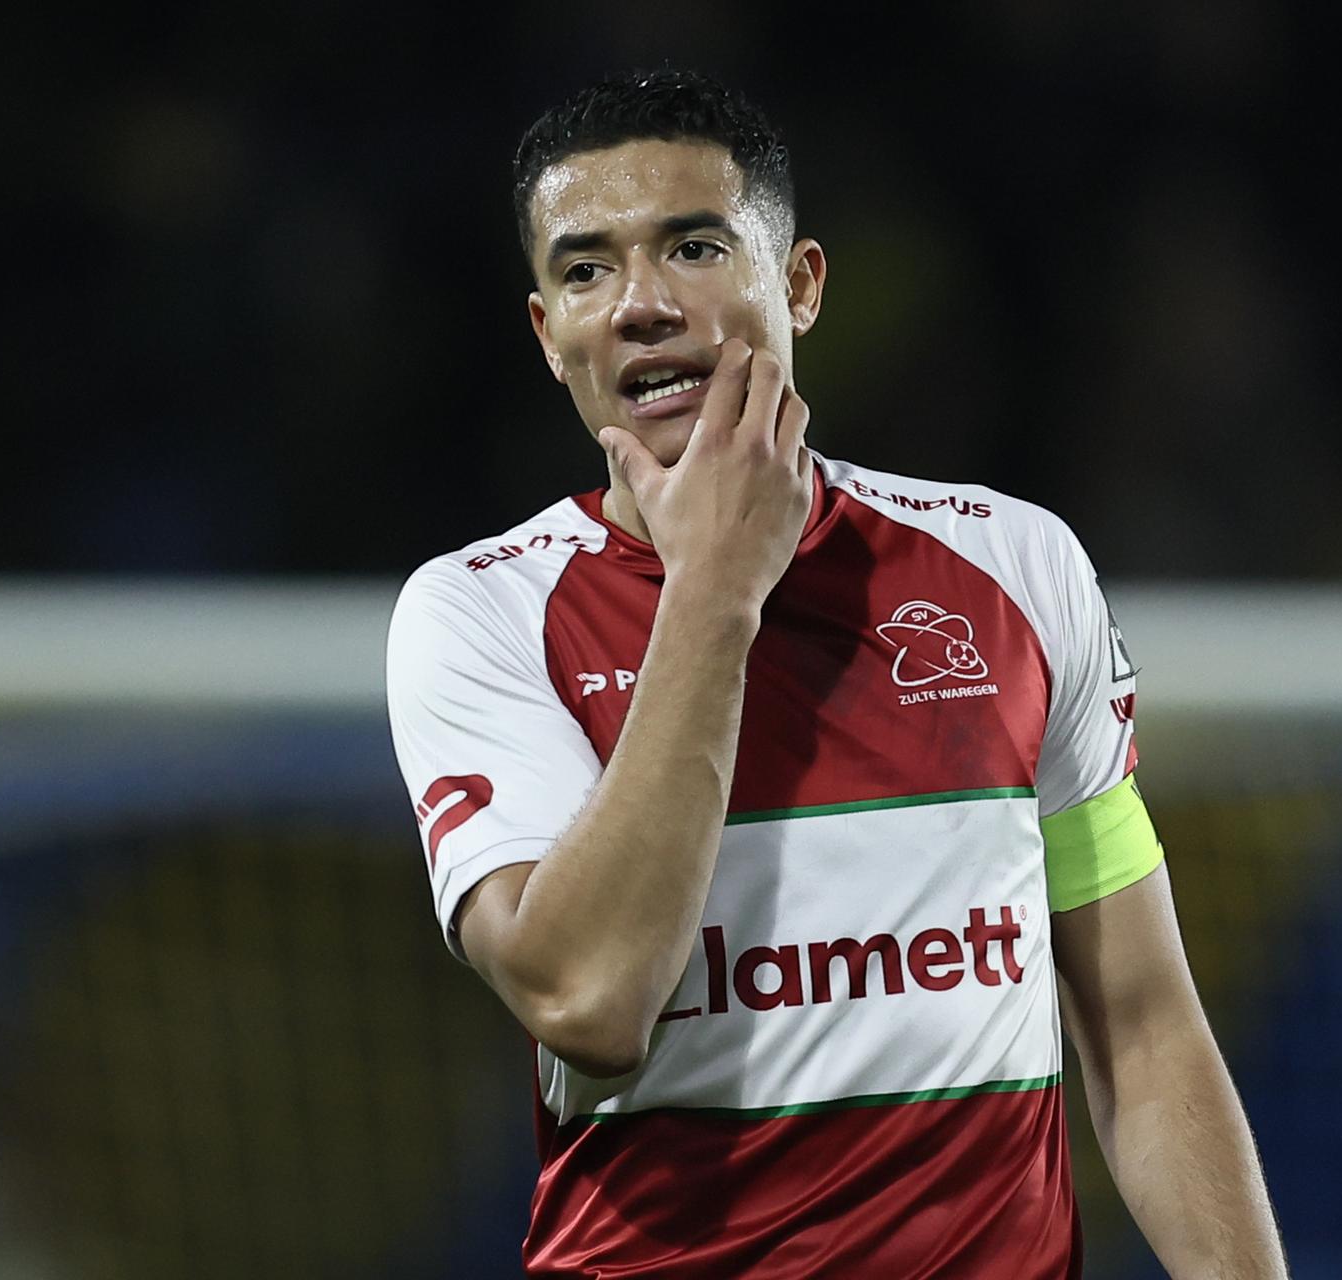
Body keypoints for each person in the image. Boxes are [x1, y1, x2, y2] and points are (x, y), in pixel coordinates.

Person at [384, 67, 1288, 1278]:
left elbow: (1141, 1024)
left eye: (694, 247)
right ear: (550, 334)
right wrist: (716, 586)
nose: (642, 304)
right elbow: (591, 999)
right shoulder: (481, 615)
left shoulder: (1010, 566)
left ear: (800, 286)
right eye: (588, 269)